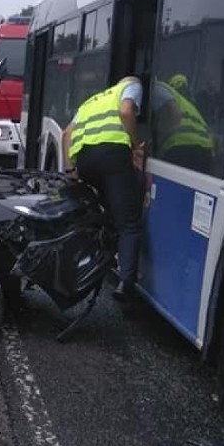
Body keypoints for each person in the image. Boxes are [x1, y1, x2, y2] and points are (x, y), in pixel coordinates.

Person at [62, 75, 145, 301]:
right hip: (113, 156)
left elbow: (66, 133)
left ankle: (97, 257)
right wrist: (136, 146)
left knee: (107, 210)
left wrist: (71, 172)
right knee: (129, 223)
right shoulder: (132, 86)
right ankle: (125, 282)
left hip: (86, 160)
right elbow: (127, 111)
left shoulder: (93, 100)